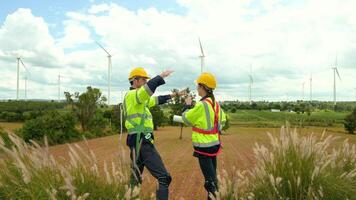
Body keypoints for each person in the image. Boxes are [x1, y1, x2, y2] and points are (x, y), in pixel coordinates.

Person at [123, 67, 186, 200]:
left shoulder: (139, 99)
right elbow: (148, 90)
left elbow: (158, 99)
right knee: (164, 178)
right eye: (144, 79)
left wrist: (176, 95)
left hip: (136, 142)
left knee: (135, 179)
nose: (146, 81)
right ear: (135, 80)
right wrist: (161, 76)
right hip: (142, 142)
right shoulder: (133, 95)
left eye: (146, 79)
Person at [181, 72, 227, 199]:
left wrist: (187, 105)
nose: (197, 88)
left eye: (198, 85)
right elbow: (223, 121)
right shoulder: (216, 104)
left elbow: (186, 118)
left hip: (203, 148)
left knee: (210, 183)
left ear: (203, 87)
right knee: (212, 179)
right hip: (214, 146)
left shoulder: (201, 105)